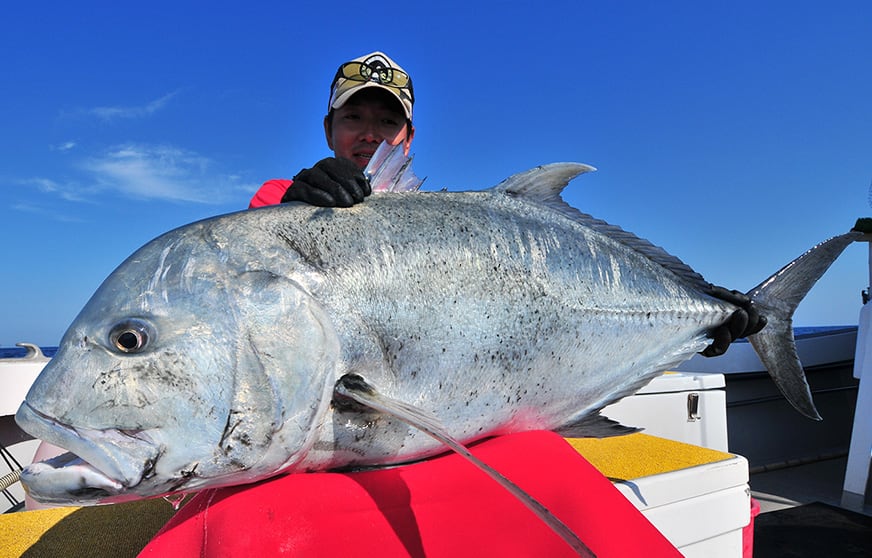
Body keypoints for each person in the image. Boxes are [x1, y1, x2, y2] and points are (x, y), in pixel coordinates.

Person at [248, 51, 415, 209]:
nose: (370, 136)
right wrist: (291, 210)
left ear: (408, 139)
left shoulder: (434, 211)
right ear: (328, 130)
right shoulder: (276, 196)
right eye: (353, 117)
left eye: (388, 121)